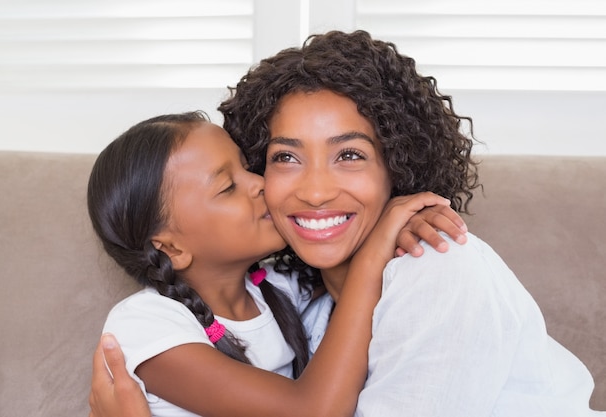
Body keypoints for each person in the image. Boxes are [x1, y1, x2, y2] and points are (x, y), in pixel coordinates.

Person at [90, 30, 604, 416]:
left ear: (397, 166)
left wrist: (378, 251)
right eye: (283, 158)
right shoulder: (307, 303)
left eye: (350, 155)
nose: (312, 191)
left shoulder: (438, 266)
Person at [87, 110, 455, 417]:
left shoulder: (276, 287)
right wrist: (374, 252)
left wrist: (400, 223)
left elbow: (353, 263)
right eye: (228, 186)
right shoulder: (146, 325)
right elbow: (312, 411)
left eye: (247, 167)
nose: (260, 183)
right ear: (171, 247)